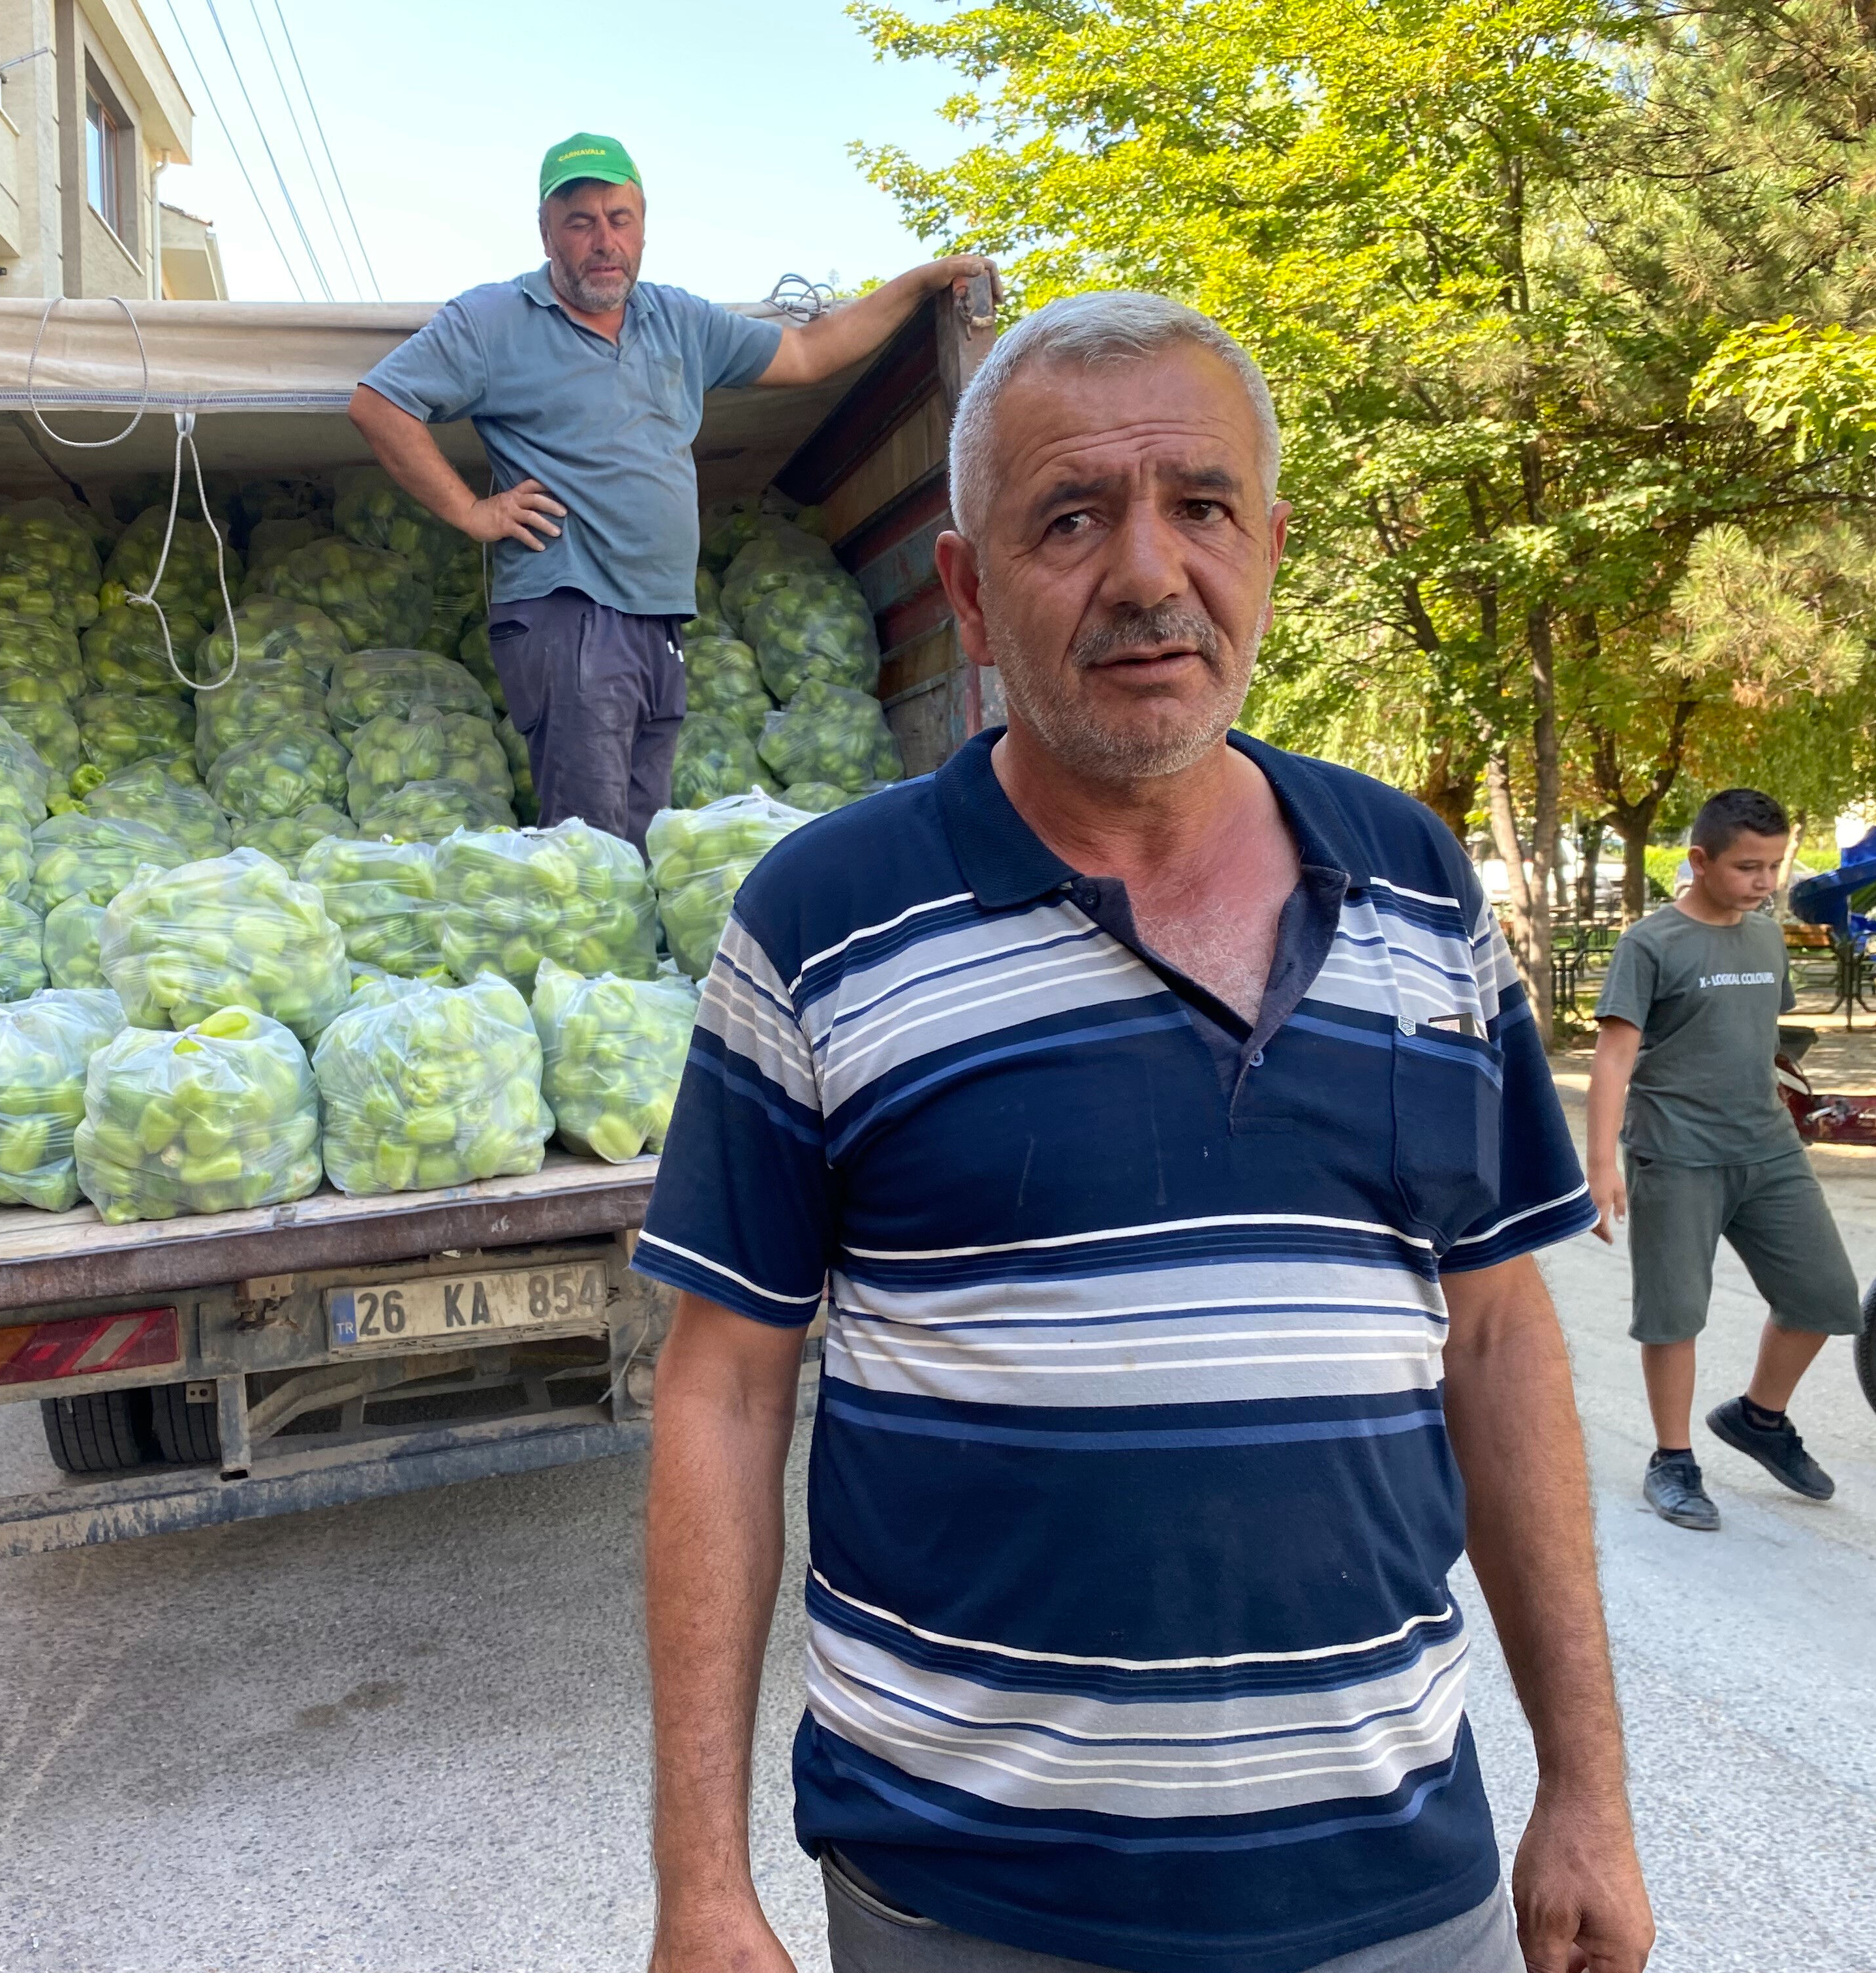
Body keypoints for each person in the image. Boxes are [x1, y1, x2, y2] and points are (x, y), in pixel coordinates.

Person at [635, 292, 1652, 1973]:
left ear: (1270, 543)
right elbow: (725, 1389)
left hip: (1398, 1879)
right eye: (1070, 519)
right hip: (968, 1903)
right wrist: (699, 1881)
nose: (1147, 573)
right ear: (966, 589)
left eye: (1202, 505)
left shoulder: (1419, 886)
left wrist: (1589, 1792)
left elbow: (1497, 1345)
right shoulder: (823, 918)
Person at [348, 132, 997, 846]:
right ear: (545, 232)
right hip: (570, 611)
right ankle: (587, 956)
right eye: (580, 222)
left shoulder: (676, 319)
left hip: (659, 617)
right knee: (587, 841)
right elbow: (381, 404)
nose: (603, 240)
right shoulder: (494, 320)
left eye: (618, 219)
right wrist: (473, 511)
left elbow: (811, 352)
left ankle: (620, 958)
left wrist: (918, 282)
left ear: (644, 225)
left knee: (637, 830)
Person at [1586, 789, 1862, 1532]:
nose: (1764, 882)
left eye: (1773, 866)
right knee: (1674, 1314)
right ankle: (1672, 1460)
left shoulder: (1766, 939)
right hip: (1676, 1152)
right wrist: (1602, 1163)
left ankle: (1760, 1419)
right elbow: (1614, 1058)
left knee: (1828, 1297)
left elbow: (1760, 1036)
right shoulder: (1651, 944)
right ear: (1701, 860)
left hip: (1767, 1147)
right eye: (1748, 867)